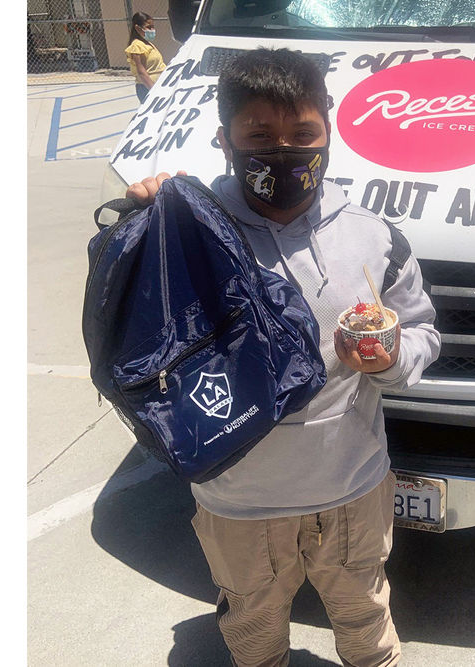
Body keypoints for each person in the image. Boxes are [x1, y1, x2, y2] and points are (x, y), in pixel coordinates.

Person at [125, 48, 440, 667]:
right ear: (225, 140)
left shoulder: (375, 236)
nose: (283, 151)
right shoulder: (187, 230)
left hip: (352, 487)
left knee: (366, 619)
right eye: (258, 135)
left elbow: (424, 330)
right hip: (238, 498)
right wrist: (145, 220)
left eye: (302, 134)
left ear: (329, 133)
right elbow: (137, 333)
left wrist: (393, 359)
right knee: (253, 630)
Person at [124, 11, 165, 103]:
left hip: (159, 84)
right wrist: (153, 90)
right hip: (147, 87)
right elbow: (141, 72)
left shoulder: (148, 44)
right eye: (148, 27)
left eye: (153, 27)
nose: (152, 30)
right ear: (138, 28)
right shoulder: (137, 46)